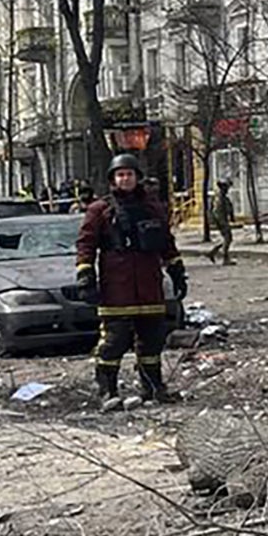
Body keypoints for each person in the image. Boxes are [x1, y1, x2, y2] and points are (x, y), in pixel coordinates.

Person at [76, 154, 186, 409]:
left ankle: (152, 388)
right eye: (120, 175)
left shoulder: (153, 207)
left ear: (138, 177)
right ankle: (108, 391)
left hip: (149, 286)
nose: (125, 179)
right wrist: (85, 275)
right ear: (113, 179)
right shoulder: (99, 210)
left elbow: (166, 243)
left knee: (152, 341)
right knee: (113, 342)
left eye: (129, 174)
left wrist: (177, 270)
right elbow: (86, 244)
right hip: (117, 287)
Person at [210, 180, 236, 265]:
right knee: (228, 238)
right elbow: (217, 211)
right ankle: (225, 258)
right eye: (227, 187)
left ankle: (213, 252)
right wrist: (222, 222)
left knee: (227, 238)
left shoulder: (221, 197)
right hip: (222, 220)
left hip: (222, 220)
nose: (228, 189)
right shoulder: (220, 198)